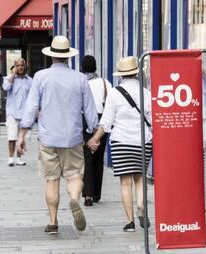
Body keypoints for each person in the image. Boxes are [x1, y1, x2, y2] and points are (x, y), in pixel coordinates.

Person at [17, 36, 98, 235]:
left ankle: (53, 222)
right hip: (72, 136)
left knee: (51, 180)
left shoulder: (40, 77)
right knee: (75, 175)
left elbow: (32, 106)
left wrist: (23, 133)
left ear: (51, 56)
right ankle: (74, 199)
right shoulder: (79, 78)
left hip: (48, 137)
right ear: (68, 57)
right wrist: (94, 130)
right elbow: (90, 110)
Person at [87, 56, 152, 232]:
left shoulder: (115, 93)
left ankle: (130, 222)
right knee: (140, 179)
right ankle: (141, 206)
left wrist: (95, 138)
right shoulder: (146, 93)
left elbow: (106, 121)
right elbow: (152, 120)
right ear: (137, 73)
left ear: (121, 75)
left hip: (121, 142)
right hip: (143, 141)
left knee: (125, 183)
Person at [80, 55, 112, 206]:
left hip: (84, 119)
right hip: (102, 121)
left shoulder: (80, 82)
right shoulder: (105, 83)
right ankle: (97, 193)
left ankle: (88, 195)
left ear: (82, 67)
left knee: (87, 158)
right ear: (96, 67)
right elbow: (110, 103)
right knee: (99, 158)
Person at [2, 59, 32, 166]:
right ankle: (11, 158)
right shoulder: (8, 79)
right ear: (15, 67)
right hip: (12, 112)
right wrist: (13, 75)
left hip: (24, 114)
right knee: (12, 136)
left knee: (22, 137)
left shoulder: (30, 81)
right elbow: (5, 87)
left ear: (25, 66)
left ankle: (19, 158)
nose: (20, 67)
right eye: (18, 65)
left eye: (22, 65)